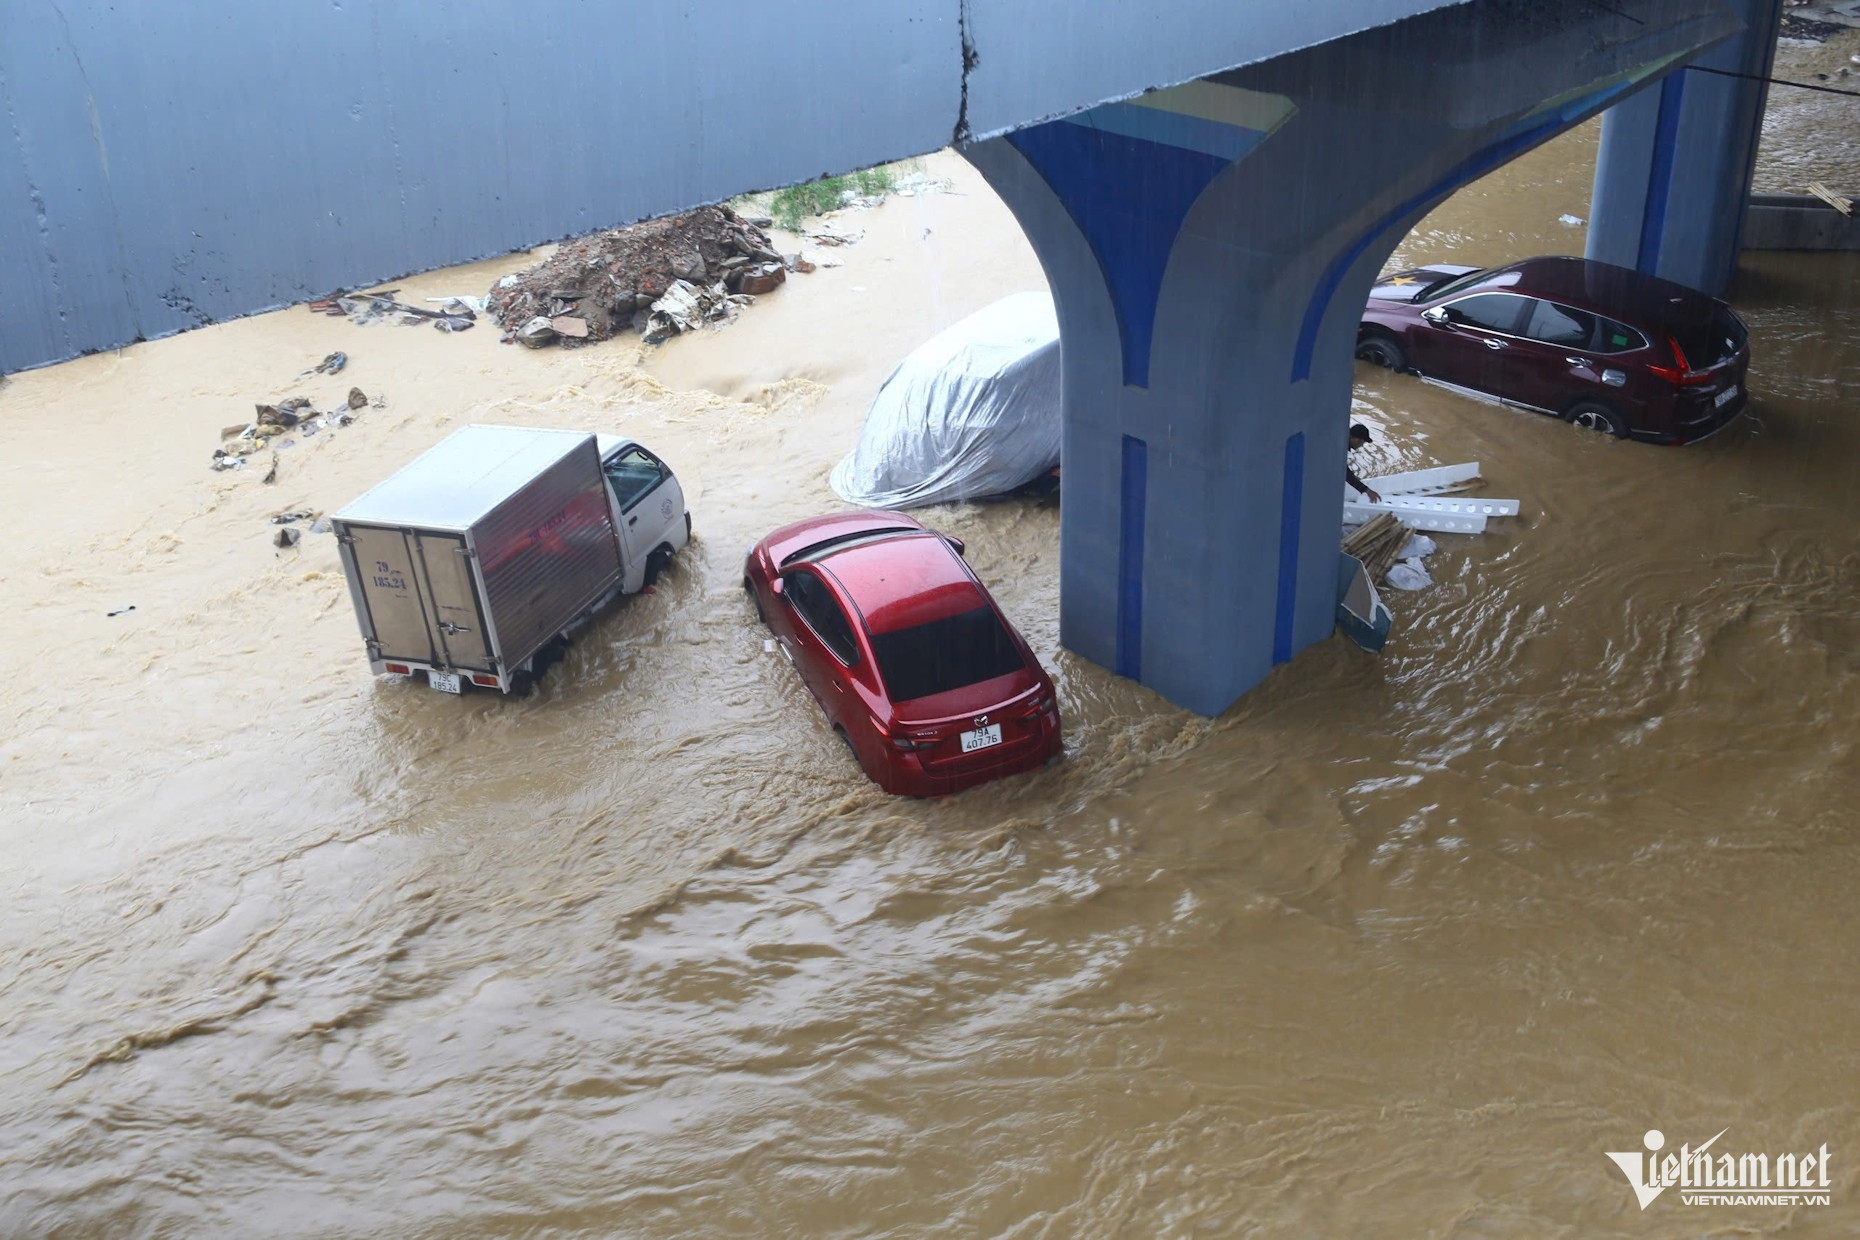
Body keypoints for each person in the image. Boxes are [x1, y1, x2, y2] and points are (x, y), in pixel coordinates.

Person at [1346, 423, 1381, 504]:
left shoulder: (1341, 439)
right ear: (1357, 440)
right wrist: (1367, 490)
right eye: (1363, 442)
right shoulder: (1340, 447)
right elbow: (1344, 473)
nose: (1361, 445)